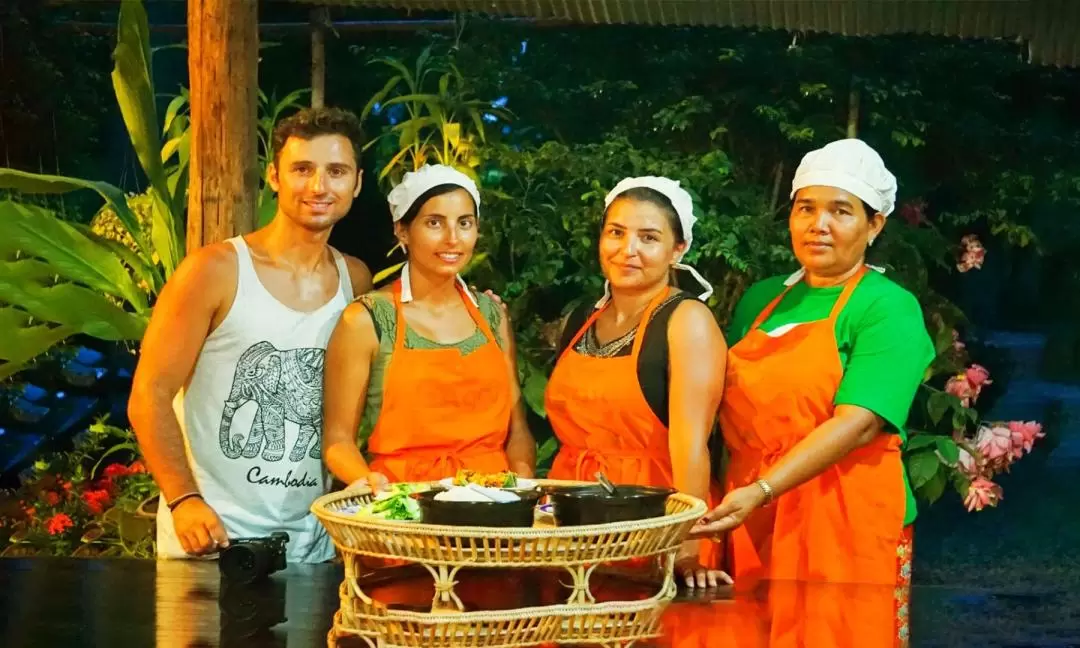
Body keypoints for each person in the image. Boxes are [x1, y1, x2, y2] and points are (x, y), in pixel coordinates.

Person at [690, 138, 935, 645]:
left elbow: (860, 420)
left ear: (875, 225)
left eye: (840, 211)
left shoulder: (887, 307)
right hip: (753, 514)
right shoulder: (762, 298)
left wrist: (763, 489)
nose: (817, 224)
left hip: (844, 517)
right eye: (806, 208)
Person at [128, 107, 373, 562]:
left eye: (336, 171)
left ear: (356, 183)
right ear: (275, 177)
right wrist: (183, 499)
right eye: (303, 169)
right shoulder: (215, 270)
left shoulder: (354, 280)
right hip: (209, 536)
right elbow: (150, 393)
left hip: (311, 542)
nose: (319, 186)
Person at [545, 176, 730, 589]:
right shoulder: (581, 318)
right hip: (574, 521)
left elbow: (691, 446)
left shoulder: (686, 321)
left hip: (654, 522)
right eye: (616, 233)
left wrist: (687, 548)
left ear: (677, 249)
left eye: (648, 238)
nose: (628, 250)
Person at [322, 164, 536, 488]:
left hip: (491, 509)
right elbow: (338, 441)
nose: (452, 238)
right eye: (434, 223)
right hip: (405, 510)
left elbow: (517, 430)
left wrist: (521, 488)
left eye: (465, 223)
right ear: (402, 230)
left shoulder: (492, 315)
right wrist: (375, 487)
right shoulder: (366, 320)